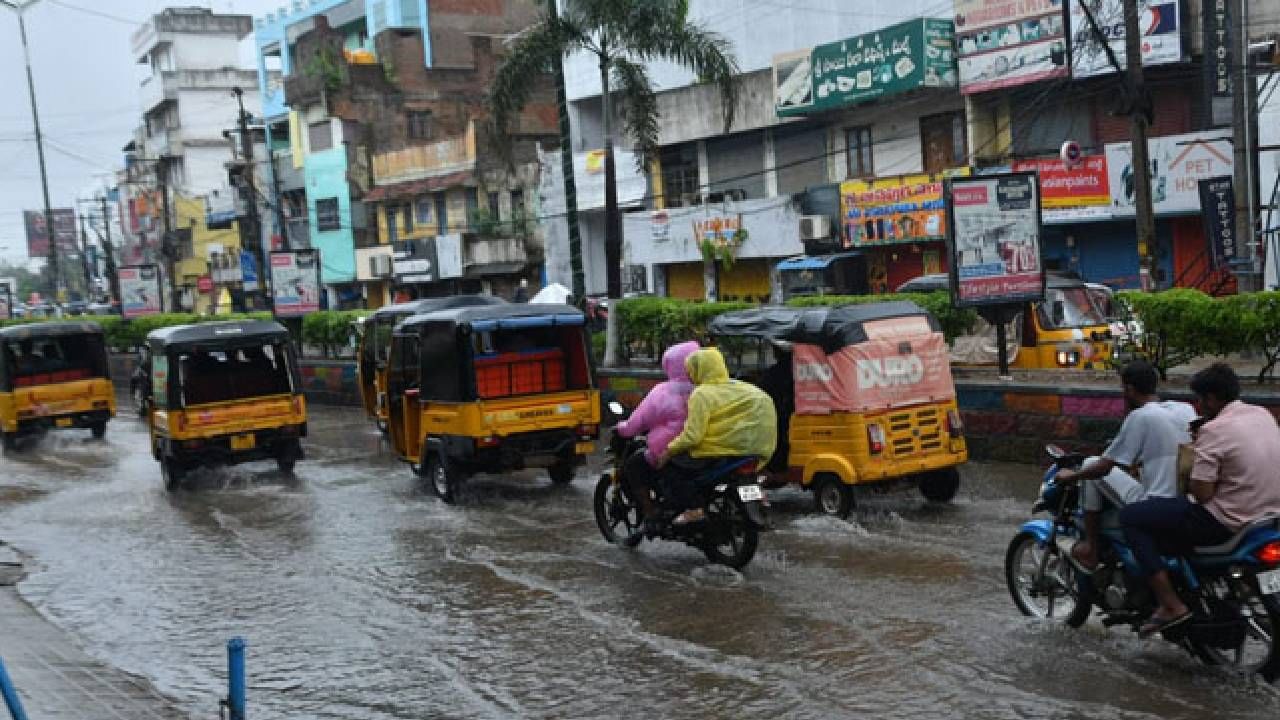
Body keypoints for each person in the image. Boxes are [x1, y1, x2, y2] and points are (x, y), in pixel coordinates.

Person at [1120, 363, 1280, 636]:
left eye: (1202, 400)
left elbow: (1202, 493)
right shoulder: (1261, 414)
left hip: (1226, 521)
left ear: (1212, 398)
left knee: (1132, 517)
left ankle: (1170, 604)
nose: (1199, 406)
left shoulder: (1214, 430)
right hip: (1267, 515)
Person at [1054, 360, 1195, 571]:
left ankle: (1091, 548)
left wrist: (1070, 477)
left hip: (1154, 502)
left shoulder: (1140, 417)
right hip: (1186, 499)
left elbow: (1104, 467)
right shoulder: (1184, 409)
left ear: (1129, 389)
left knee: (1091, 463)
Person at [656, 347, 777, 526]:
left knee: (671, 468)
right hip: (753, 452)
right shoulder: (744, 389)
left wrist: (668, 450)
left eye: (692, 370)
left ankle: (694, 508)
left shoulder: (702, 394)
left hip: (716, 454)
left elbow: (693, 437)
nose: (690, 376)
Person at [614, 341, 700, 522]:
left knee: (634, 465)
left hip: (671, 450)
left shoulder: (664, 392)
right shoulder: (708, 388)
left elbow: (638, 422)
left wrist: (623, 428)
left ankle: (650, 511)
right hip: (707, 449)